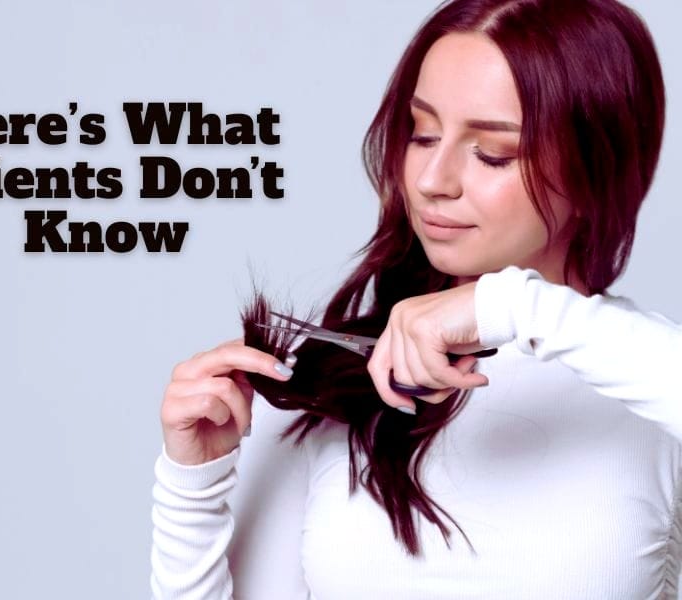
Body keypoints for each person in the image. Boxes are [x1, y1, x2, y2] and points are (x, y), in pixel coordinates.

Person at [151, 0, 682, 597]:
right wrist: (192, 490)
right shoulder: (336, 381)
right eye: (423, 134)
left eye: (492, 153)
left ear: (596, 171)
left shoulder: (649, 387)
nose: (432, 180)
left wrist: (508, 307)